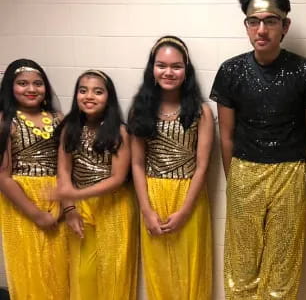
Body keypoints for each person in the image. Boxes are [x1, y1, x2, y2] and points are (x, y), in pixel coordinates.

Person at [210, 0, 306, 299]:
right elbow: (226, 135)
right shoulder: (230, 71)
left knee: (283, 267)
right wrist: (233, 180)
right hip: (244, 172)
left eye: (270, 21)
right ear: (246, 25)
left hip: (291, 174)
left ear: (284, 26)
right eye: (254, 21)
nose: (261, 29)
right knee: (241, 267)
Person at [128, 35, 213, 300]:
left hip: (189, 197)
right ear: (151, 68)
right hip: (152, 195)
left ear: (186, 71)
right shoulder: (140, 110)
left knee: (190, 269)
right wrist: (146, 211)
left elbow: (202, 166)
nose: (168, 72)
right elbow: (137, 163)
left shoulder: (201, 112)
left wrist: (186, 210)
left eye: (176, 66)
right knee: (160, 271)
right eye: (161, 65)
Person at [55, 69, 138, 299]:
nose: (89, 96)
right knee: (83, 273)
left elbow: (117, 178)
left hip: (114, 207)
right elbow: (63, 171)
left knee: (113, 274)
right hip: (80, 208)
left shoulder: (119, 131)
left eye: (97, 91)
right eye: (83, 90)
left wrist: (76, 194)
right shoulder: (69, 129)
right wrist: (69, 208)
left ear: (108, 97)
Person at [0, 59, 69, 298]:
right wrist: (36, 214)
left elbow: (66, 166)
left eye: (38, 83)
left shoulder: (58, 118)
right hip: (22, 203)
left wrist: (62, 204)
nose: (31, 89)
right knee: (31, 270)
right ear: (10, 87)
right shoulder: (5, 121)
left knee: (61, 271)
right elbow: (3, 176)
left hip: (57, 197)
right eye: (22, 83)